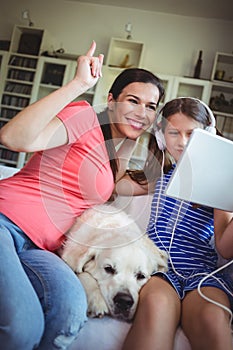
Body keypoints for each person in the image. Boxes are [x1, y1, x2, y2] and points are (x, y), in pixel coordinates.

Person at [0, 41, 164, 350]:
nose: (142, 112)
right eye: (133, 101)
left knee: (69, 313)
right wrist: (79, 85)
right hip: (5, 222)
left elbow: (130, 184)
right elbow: (12, 137)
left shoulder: (116, 152)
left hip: (42, 249)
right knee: (23, 328)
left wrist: (169, 149)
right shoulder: (84, 116)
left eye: (151, 106)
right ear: (111, 101)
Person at [122, 97, 233, 350]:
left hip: (201, 275)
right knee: (156, 306)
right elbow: (116, 184)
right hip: (159, 268)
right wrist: (132, 136)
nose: (182, 142)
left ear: (208, 136)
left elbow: (225, 249)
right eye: (173, 133)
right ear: (161, 138)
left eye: (192, 134)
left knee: (213, 318)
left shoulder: (221, 182)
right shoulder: (157, 175)